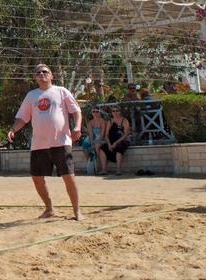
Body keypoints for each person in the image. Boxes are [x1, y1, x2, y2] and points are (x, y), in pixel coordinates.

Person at [8, 64, 84, 221]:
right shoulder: (31, 95)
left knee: (68, 176)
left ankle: (77, 211)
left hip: (61, 141)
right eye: (38, 72)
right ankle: (49, 209)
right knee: (37, 178)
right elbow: (23, 117)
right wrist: (13, 130)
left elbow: (76, 111)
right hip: (39, 144)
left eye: (45, 72)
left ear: (51, 76)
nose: (41, 74)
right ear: (35, 77)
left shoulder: (61, 91)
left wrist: (77, 127)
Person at [99, 105, 132, 175]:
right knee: (102, 148)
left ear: (120, 112)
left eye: (117, 111)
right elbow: (106, 135)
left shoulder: (124, 120)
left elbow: (126, 134)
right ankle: (104, 169)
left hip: (122, 140)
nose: (115, 112)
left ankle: (118, 169)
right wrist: (109, 144)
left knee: (119, 147)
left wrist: (115, 143)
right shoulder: (110, 121)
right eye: (113, 111)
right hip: (111, 141)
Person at [86, 107, 106, 174]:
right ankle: (92, 166)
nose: (95, 113)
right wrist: (92, 143)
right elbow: (91, 134)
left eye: (97, 111)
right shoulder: (90, 123)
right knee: (85, 148)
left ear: (99, 112)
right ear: (91, 113)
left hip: (102, 139)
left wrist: (98, 141)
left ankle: (100, 167)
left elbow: (103, 134)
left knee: (97, 147)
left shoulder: (102, 121)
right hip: (94, 139)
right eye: (93, 111)